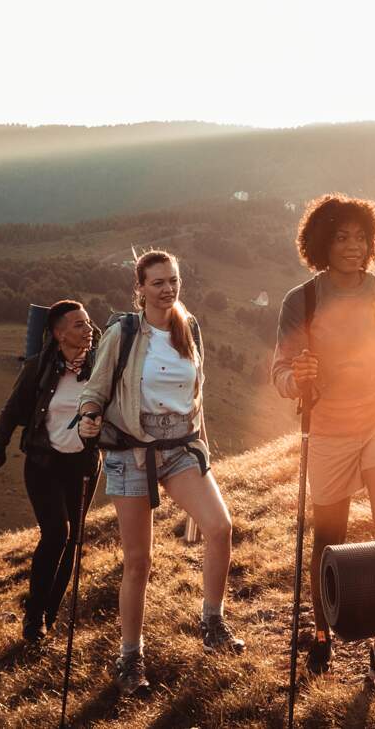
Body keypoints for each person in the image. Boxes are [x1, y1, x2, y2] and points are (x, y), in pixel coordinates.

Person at [77, 250, 242, 697]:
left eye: (172, 280)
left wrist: (202, 447)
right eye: (157, 283)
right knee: (138, 562)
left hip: (179, 448)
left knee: (220, 527)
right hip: (131, 451)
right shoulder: (124, 332)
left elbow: (196, 395)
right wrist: (89, 415)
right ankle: (130, 656)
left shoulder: (191, 329)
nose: (167, 289)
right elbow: (95, 388)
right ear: (141, 288)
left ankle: (213, 622)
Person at [271, 193, 375, 688]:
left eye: (361, 237)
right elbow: (281, 371)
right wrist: (299, 377)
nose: (353, 246)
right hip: (329, 428)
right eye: (341, 237)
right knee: (328, 538)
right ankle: (320, 631)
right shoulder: (303, 300)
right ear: (320, 243)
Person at [0, 299, 98, 644]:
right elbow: (11, 410)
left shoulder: (102, 367)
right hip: (44, 463)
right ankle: (34, 616)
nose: (88, 329)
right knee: (56, 534)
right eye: (78, 324)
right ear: (58, 333)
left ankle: (48, 615)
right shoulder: (38, 368)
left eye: (89, 322)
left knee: (74, 539)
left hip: (84, 465)